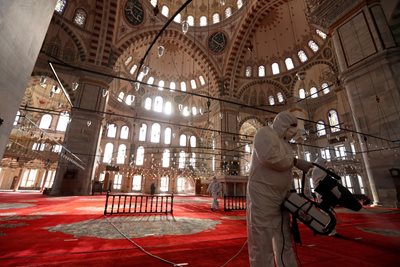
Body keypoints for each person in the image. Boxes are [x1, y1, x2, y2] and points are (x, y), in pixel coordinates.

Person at [247, 111, 314, 267]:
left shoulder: (285, 144)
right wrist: (296, 161)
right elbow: (270, 158)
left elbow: (285, 168)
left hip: (281, 197)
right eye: (291, 128)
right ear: (283, 124)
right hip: (262, 195)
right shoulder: (264, 133)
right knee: (262, 239)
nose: (292, 133)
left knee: (284, 237)